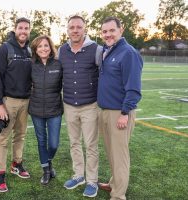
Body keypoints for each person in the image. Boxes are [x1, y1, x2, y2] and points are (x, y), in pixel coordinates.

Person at [97, 17, 143, 200]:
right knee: (111, 153)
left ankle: (118, 195)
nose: (108, 34)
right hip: (106, 111)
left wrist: (125, 113)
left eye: (111, 31)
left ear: (121, 30)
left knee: (120, 156)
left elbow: (133, 88)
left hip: (119, 112)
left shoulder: (128, 53)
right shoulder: (108, 51)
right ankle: (114, 183)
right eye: (104, 31)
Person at [58, 15, 102, 197]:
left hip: (90, 105)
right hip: (69, 104)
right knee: (74, 142)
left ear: (85, 29)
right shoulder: (62, 50)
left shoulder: (96, 49)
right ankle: (78, 176)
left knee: (91, 144)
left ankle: (92, 180)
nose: (75, 30)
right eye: (71, 27)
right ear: (67, 30)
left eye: (78, 27)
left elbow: (104, 75)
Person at [0, 17, 32, 193]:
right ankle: (0, 174)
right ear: (15, 29)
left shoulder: (30, 50)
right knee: (3, 138)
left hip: (26, 101)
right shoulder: (4, 49)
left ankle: (16, 164)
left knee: (21, 135)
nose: (23, 31)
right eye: (20, 28)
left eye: (26, 28)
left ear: (29, 30)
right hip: (8, 101)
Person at [29, 35, 63, 185]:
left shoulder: (58, 64)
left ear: (50, 48)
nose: (43, 48)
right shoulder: (31, 65)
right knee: (41, 141)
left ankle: (48, 162)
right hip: (36, 110)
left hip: (54, 109)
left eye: (46, 45)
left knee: (54, 144)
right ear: (36, 50)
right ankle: (46, 171)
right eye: (40, 46)